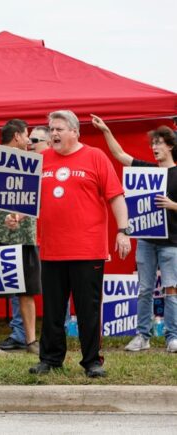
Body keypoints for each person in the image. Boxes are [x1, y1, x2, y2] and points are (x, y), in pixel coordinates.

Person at [29, 110, 131, 378]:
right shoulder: (40, 160)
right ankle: (50, 359)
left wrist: (123, 230)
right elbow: (28, 201)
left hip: (87, 249)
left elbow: (116, 197)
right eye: (51, 129)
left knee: (88, 309)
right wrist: (16, 217)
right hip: (52, 249)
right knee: (52, 309)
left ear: (75, 131)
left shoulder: (95, 157)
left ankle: (92, 362)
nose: (53, 134)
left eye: (59, 129)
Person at [92, 115, 177, 353]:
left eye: (159, 143)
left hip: (172, 243)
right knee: (145, 289)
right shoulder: (148, 171)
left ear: (170, 145)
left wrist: (172, 205)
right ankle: (143, 336)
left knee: (172, 288)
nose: (154, 147)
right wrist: (106, 130)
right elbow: (120, 155)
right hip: (147, 241)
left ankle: (172, 337)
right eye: (153, 143)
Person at [0, 119, 41, 355]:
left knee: (27, 290)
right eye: (27, 136)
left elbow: (35, 201)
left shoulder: (31, 164)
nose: (30, 140)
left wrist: (20, 218)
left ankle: (31, 341)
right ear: (16, 137)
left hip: (26, 236)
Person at [0, 125, 50, 352]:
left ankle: (56, 331)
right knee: (18, 288)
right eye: (29, 138)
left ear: (48, 143)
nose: (30, 142)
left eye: (36, 139)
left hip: (51, 240)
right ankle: (21, 333)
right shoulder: (23, 165)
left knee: (53, 289)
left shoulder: (54, 166)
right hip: (26, 238)